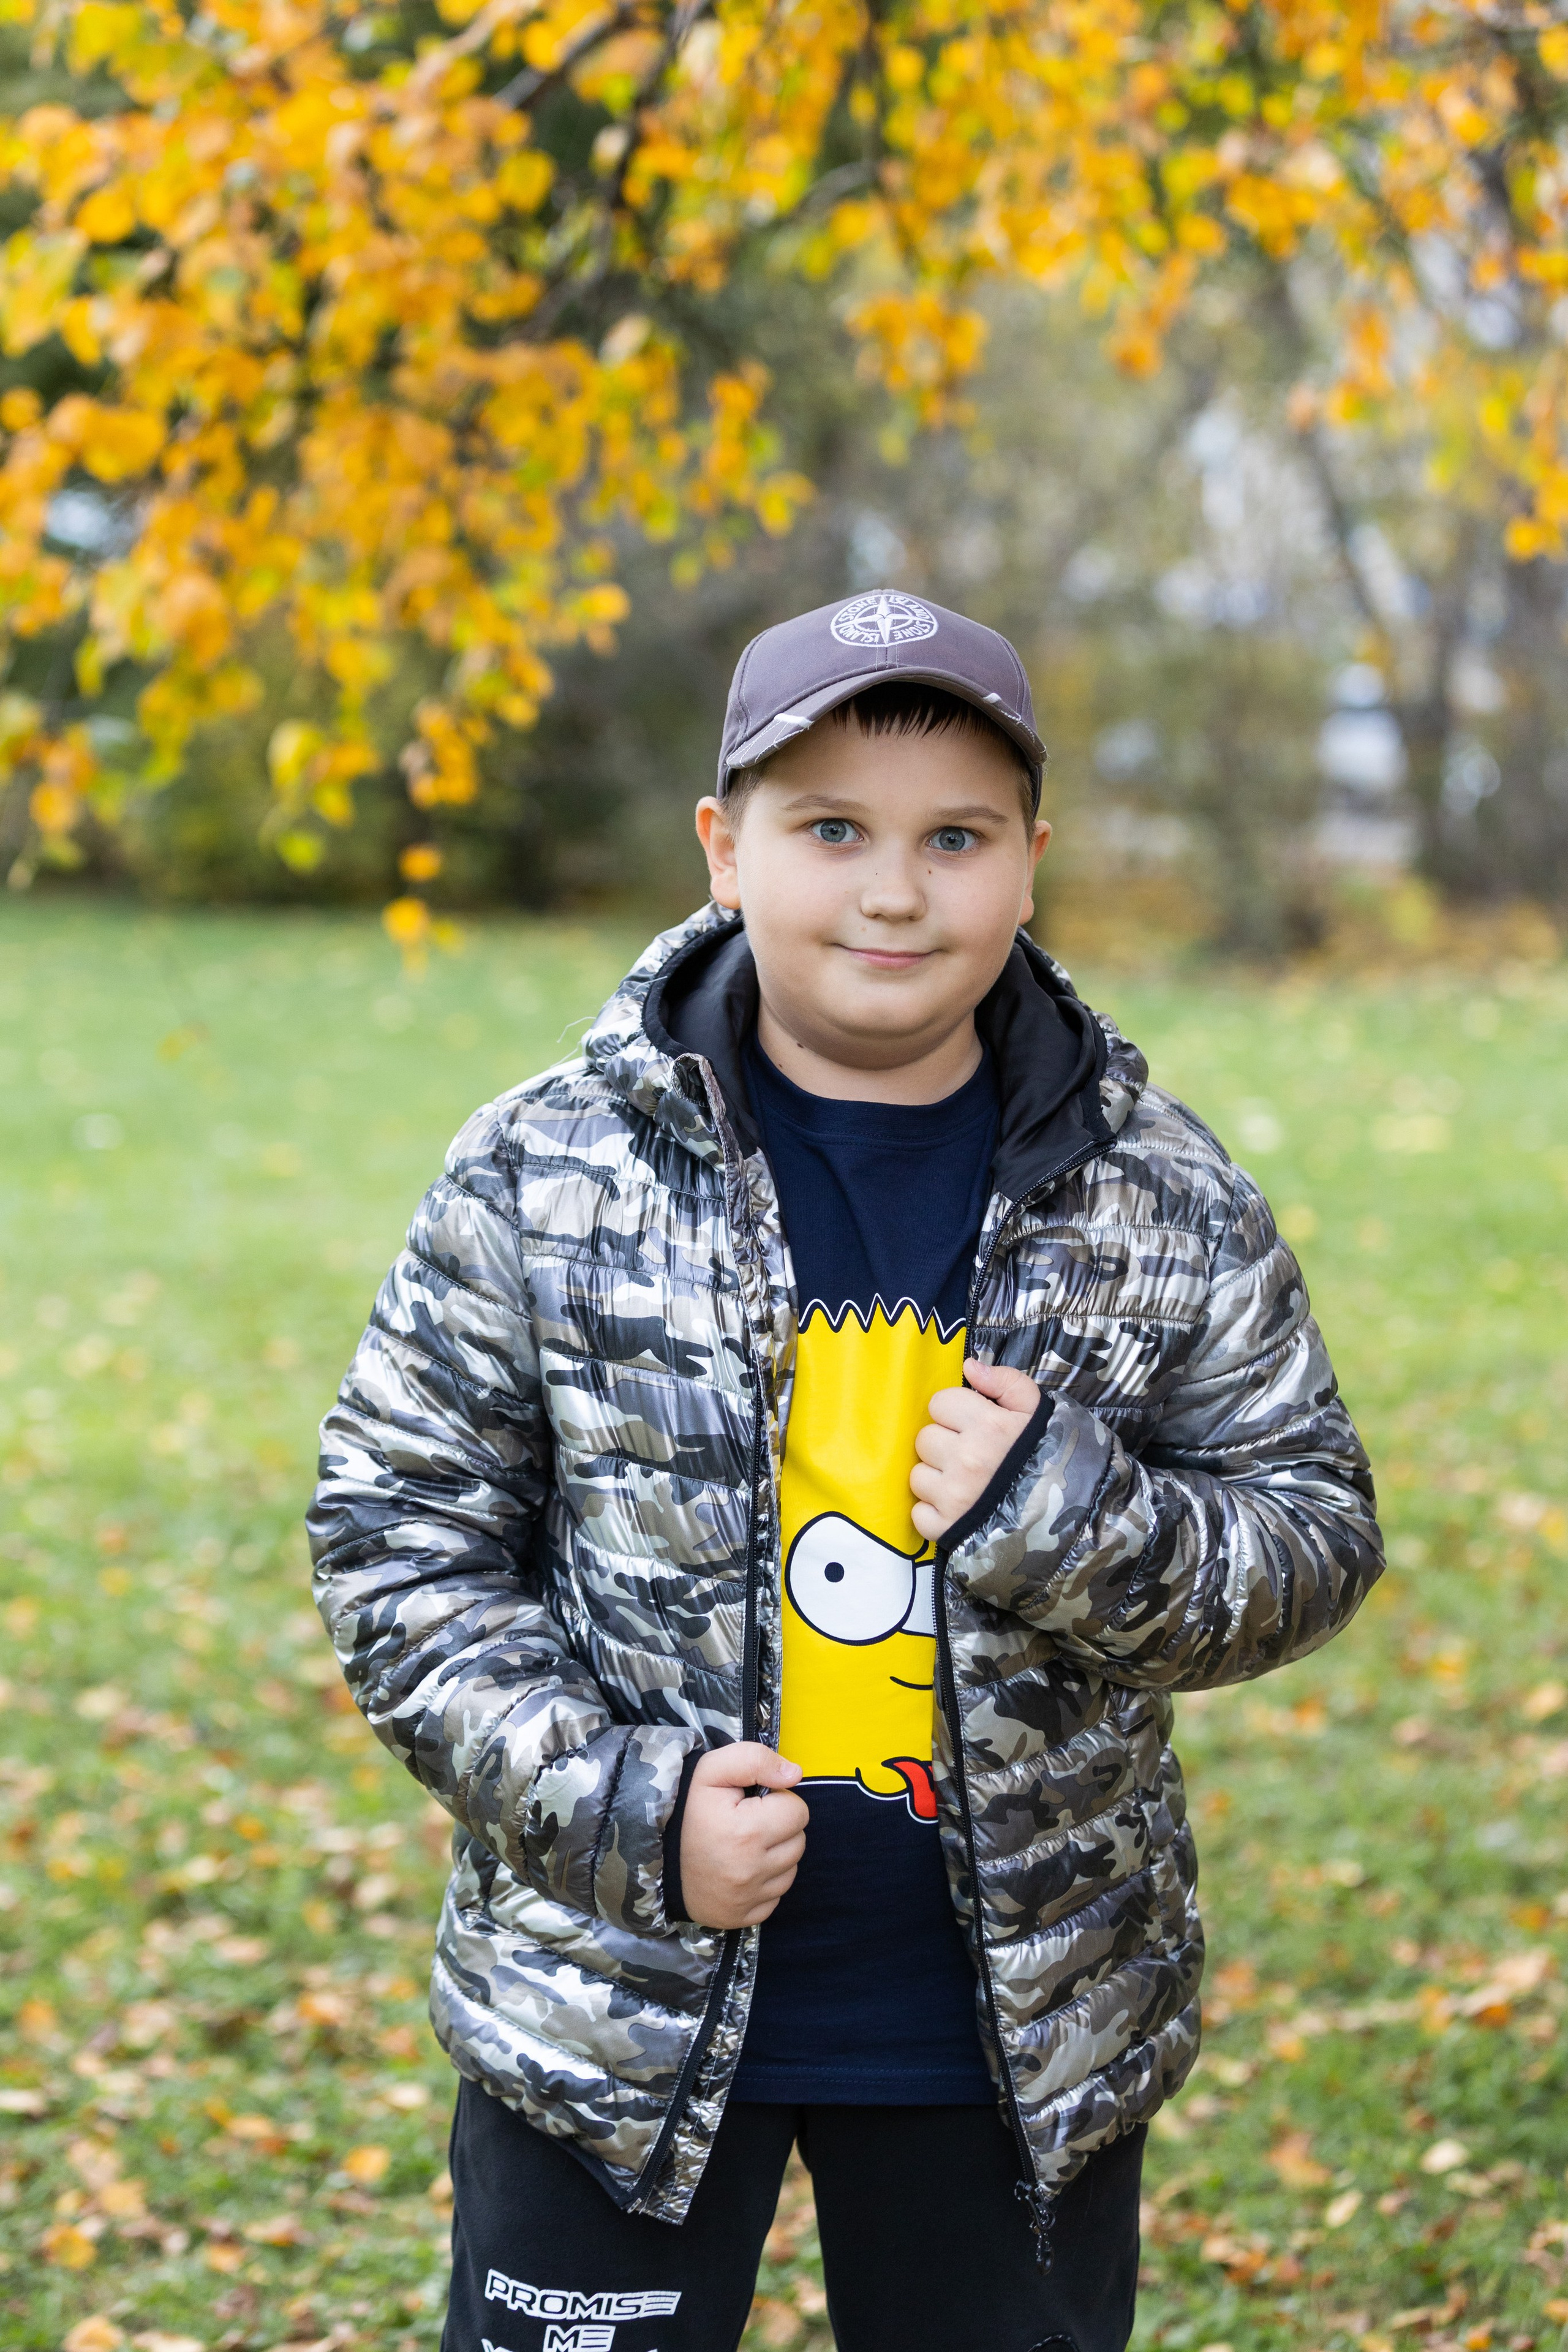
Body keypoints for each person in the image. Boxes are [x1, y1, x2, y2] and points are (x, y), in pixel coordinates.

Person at [308, 590, 1383, 2352]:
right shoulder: (544, 1169)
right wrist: (623, 1808)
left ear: (1031, 861)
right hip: (610, 2008)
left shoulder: (1156, 1194)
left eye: (955, 837)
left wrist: (1070, 1515)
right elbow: (397, 1533)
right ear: (726, 851)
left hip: (1017, 2033)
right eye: (832, 832)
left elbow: (1314, 1529)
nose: (895, 892)